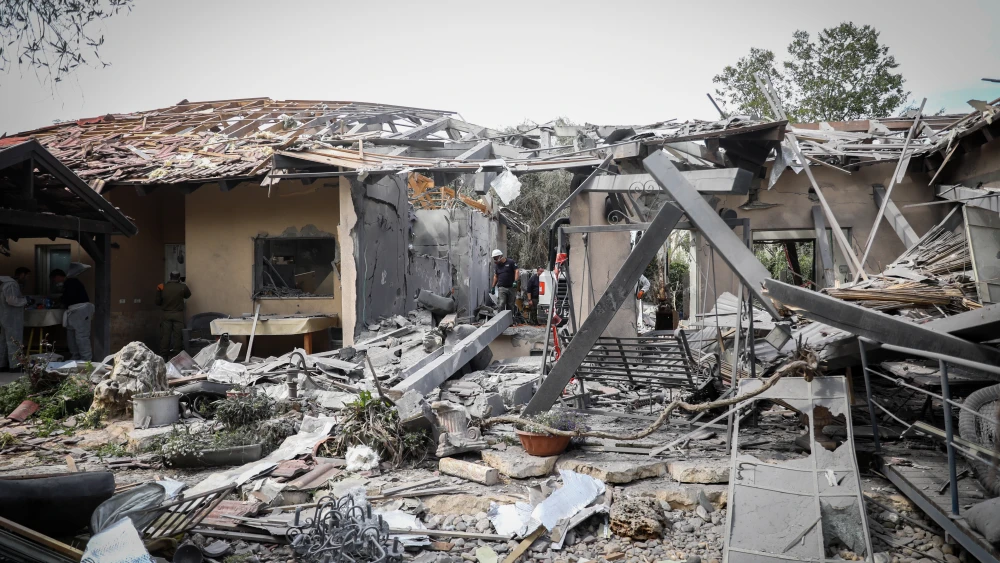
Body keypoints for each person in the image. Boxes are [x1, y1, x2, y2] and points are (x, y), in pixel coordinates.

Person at [52, 264, 94, 361]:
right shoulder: (70, 283)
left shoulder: (71, 282)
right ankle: (76, 357)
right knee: (71, 336)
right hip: (75, 311)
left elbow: (68, 298)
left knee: (81, 336)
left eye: (54, 280)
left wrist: (60, 302)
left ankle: (86, 360)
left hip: (80, 311)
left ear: (58, 277)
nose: (55, 282)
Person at [157, 271, 191, 358]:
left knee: (165, 336)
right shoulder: (183, 287)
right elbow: (188, 295)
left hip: (166, 314)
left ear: (170, 277)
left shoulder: (162, 286)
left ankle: (164, 357)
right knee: (178, 337)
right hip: (178, 315)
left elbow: (157, 302)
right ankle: (177, 357)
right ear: (179, 278)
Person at [0, 271, 28, 370]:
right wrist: (25, 300)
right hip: (12, 317)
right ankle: (15, 365)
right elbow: (11, 300)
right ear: (21, 275)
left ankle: (2, 364)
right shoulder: (11, 284)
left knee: (3, 341)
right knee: (14, 340)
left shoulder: (3, 283)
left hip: (4, 316)